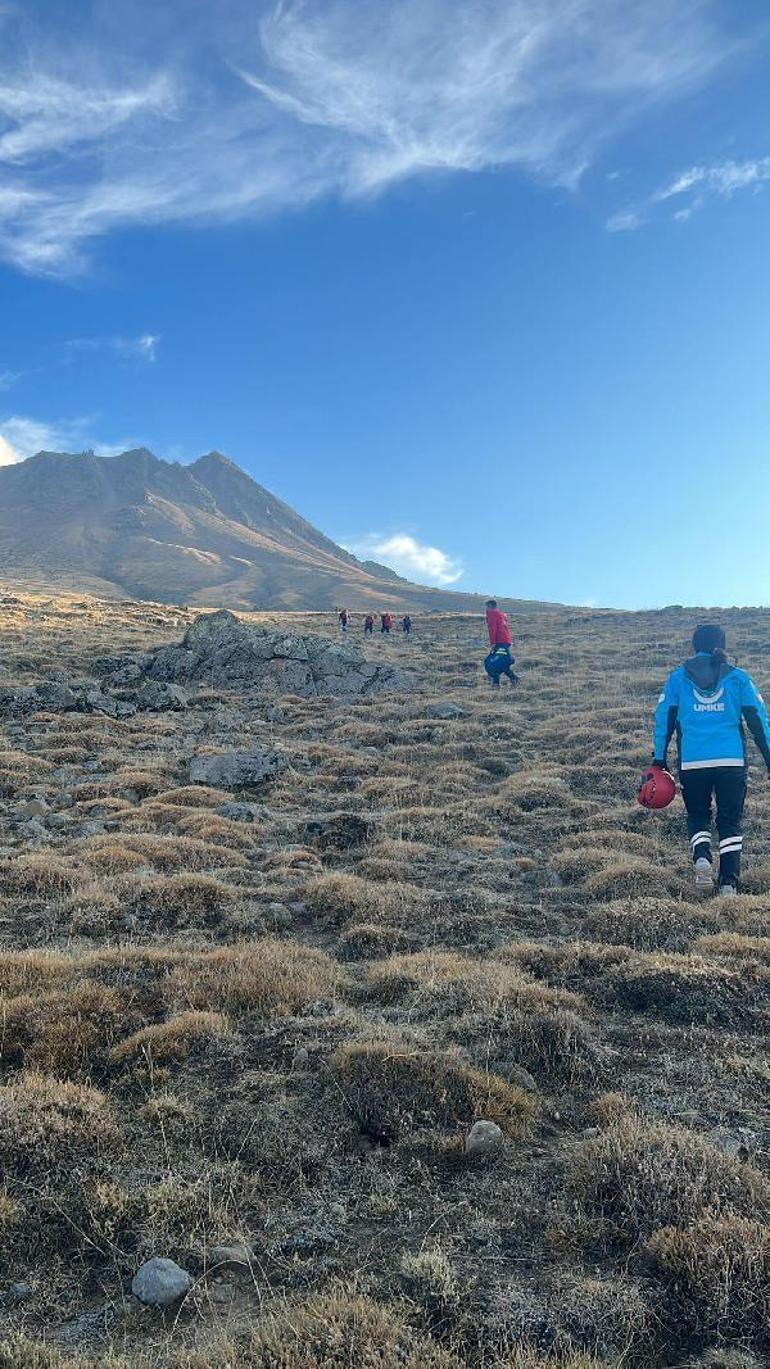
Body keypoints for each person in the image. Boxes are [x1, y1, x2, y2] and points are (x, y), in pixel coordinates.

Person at [652, 623, 770, 895]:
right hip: (731, 760)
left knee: (698, 815)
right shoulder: (738, 677)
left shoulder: (677, 678)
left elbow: (663, 720)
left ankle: (702, 858)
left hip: (693, 761)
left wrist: (659, 759)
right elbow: (758, 721)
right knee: (730, 821)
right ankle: (729, 885)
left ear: (694, 646)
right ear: (722, 646)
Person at [484, 598, 518, 688]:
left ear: (490, 606)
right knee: (501, 661)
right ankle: (513, 678)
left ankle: (496, 684)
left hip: (499, 642)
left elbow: (492, 629)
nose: (486, 609)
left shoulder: (492, 614)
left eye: (486, 607)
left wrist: (493, 643)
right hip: (506, 641)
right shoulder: (501, 615)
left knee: (492, 662)